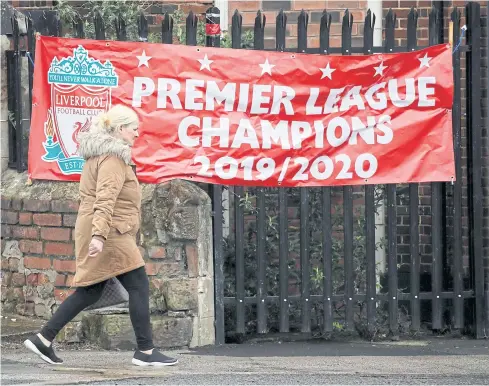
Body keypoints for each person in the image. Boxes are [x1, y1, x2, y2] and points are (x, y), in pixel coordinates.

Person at [24, 105, 178, 367]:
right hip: (110, 232)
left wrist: (97, 233)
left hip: (102, 229)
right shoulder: (113, 159)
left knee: (91, 290)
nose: (137, 133)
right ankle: (145, 351)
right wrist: (99, 236)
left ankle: (44, 338)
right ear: (120, 129)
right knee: (139, 284)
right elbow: (105, 198)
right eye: (133, 128)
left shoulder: (98, 156)